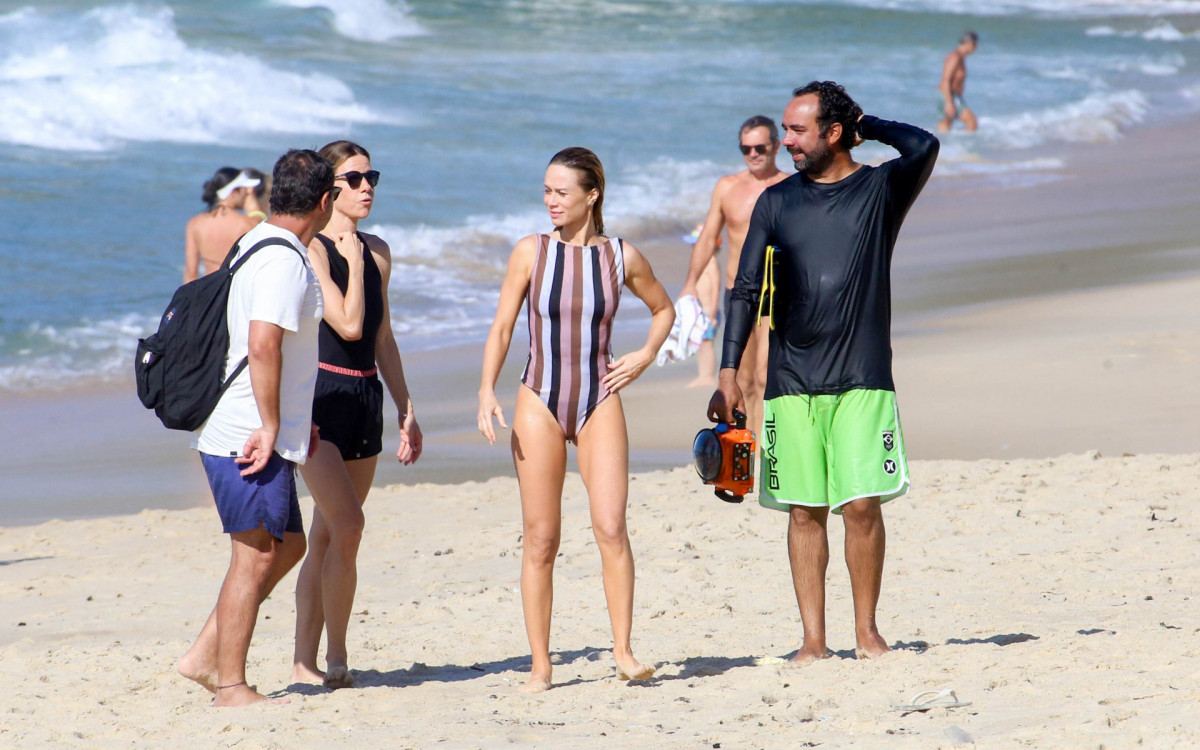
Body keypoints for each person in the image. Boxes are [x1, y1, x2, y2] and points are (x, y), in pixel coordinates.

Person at [709, 82, 938, 664]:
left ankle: (867, 632)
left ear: (834, 133)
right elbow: (745, 289)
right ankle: (813, 641)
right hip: (791, 378)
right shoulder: (777, 202)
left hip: (863, 374)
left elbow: (923, 146)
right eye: (785, 129)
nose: (786, 141)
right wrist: (729, 372)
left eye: (797, 130)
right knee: (804, 510)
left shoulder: (879, 190)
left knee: (861, 506)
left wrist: (867, 123)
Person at [477, 147, 674, 693]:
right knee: (542, 539)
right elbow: (501, 327)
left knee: (611, 527)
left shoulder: (621, 256)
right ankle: (541, 666)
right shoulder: (530, 251)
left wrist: (645, 355)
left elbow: (664, 308)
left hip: (599, 399)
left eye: (562, 191)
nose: (551, 201)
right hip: (538, 400)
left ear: (592, 195)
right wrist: (486, 389)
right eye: (546, 190)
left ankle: (624, 651)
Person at [176, 149, 336, 706]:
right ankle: (230, 686)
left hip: (259, 425)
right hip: (245, 431)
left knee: (287, 546)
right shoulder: (282, 260)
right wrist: (271, 425)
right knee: (256, 555)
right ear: (324, 202)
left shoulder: (258, 240)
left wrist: (296, 421)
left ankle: (203, 656)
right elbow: (263, 345)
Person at [291, 140, 424, 690]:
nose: (367, 187)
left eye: (372, 178)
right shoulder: (314, 250)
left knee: (329, 535)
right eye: (354, 179)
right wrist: (349, 258)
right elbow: (346, 325)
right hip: (320, 401)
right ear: (329, 188)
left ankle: (307, 660)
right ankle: (336, 657)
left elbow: (381, 337)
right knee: (348, 526)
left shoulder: (379, 251)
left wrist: (406, 407)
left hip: (366, 397)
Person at [679, 116, 787, 428]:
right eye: (745, 148)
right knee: (743, 380)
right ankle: (748, 445)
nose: (753, 154)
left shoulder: (791, 187)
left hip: (777, 292)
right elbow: (707, 238)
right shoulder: (727, 187)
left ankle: (767, 446)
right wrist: (690, 284)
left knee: (766, 376)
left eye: (760, 148)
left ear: (775, 146)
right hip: (738, 293)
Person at [184, 168, 261, 282]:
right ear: (234, 191)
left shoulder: (195, 223)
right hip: (233, 288)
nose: (247, 194)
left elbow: (191, 273)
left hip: (208, 289)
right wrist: (255, 209)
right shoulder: (247, 224)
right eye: (245, 190)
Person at [681, 224, 722, 388]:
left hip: (709, 311)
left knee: (707, 344)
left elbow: (716, 289)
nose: (693, 248)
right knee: (700, 343)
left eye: (695, 245)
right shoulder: (700, 263)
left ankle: (709, 376)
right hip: (699, 311)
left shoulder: (711, 262)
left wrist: (712, 312)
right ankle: (702, 375)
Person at [938, 31, 979, 133]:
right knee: (971, 122)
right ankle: (966, 143)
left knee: (945, 125)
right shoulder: (955, 57)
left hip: (952, 95)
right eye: (975, 45)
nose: (976, 48)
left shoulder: (960, 57)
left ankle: (945, 143)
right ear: (968, 43)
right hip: (948, 95)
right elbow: (946, 79)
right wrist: (949, 102)